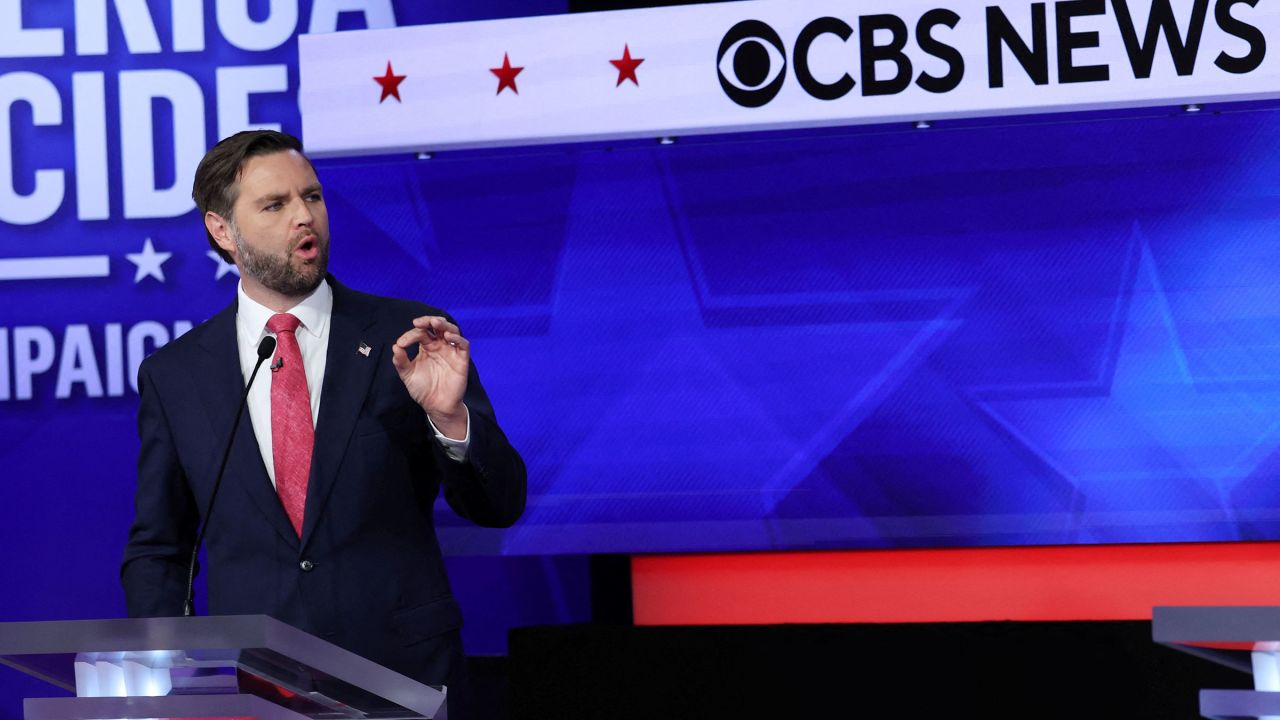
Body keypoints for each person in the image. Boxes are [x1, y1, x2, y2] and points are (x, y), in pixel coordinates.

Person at [121, 130, 526, 711]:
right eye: (275, 204)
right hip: (260, 689)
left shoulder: (409, 337)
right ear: (221, 231)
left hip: (403, 677)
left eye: (311, 196)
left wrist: (450, 418)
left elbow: (499, 505)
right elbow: (161, 548)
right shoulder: (176, 374)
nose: (304, 217)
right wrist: (158, 674)